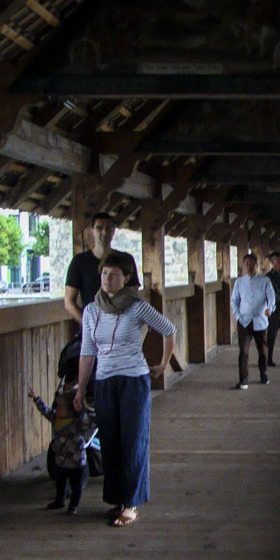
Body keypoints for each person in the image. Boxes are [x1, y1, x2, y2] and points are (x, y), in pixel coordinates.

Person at [74, 250, 176, 528]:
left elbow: (168, 329)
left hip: (134, 380)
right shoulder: (91, 310)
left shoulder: (137, 306)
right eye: (105, 274)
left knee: (133, 441)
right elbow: (87, 351)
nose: (108, 279)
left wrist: (163, 363)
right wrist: (80, 389)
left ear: (126, 278)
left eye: (114, 275)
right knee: (110, 443)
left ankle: (131, 503)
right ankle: (117, 499)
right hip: (105, 381)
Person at [28, 382, 97, 515]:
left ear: (71, 410)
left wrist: (81, 410)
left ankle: (73, 506)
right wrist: (36, 399)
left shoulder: (77, 423)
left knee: (76, 487)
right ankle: (60, 501)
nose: (56, 409)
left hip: (77, 462)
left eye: (60, 407)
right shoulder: (56, 419)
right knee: (60, 484)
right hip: (61, 460)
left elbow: (89, 423)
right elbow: (45, 410)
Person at [64, 213, 140, 325]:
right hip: (91, 325)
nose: (104, 232)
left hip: (120, 325)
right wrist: (88, 325)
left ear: (113, 231)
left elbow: (133, 293)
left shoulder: (125, 259)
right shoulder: (79, 261)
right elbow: (69, 302)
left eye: (108, 228)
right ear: (92, 231)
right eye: (99, 228)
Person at [230, 252, 275, 389]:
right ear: (244, 266)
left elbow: (271, 297)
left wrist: (269, 308)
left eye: (252, 264)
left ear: (257, 265)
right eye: (246, 264)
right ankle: (243, 379)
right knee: (243, 351)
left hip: (260, 320)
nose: (249, 267)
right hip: (244, 321)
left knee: (262, 350)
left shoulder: (265, 281)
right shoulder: (239, 282)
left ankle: (263, 373)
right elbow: (234, 301)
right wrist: (237, 315)